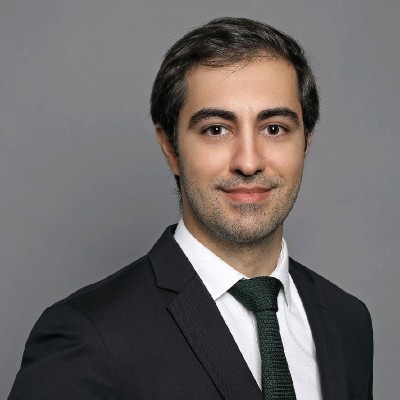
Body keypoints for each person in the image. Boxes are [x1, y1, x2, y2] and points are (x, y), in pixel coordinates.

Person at [8, 17, 373, 400]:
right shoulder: (88, 336)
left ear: (306, 142)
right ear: (171, 148)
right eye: (216, 129)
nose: (249, 162)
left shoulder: (347, 321)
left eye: (274, 128)